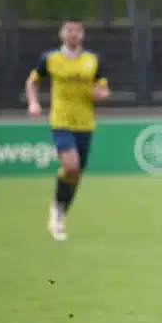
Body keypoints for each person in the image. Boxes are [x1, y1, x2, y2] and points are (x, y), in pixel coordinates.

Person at [24, 20, 109, 241]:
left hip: (85, 123)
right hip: (61, 121)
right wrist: (33, 103)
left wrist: (100, 94)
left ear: (83, 35)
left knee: (75, 174)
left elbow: (103, 88)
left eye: (77, 30)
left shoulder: (93, 60)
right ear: (62, 34)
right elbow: (32, 81)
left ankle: (60, 210)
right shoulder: (50, 59)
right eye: (69, 30)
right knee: (71, 166)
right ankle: (58, 213)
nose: (73, 34)